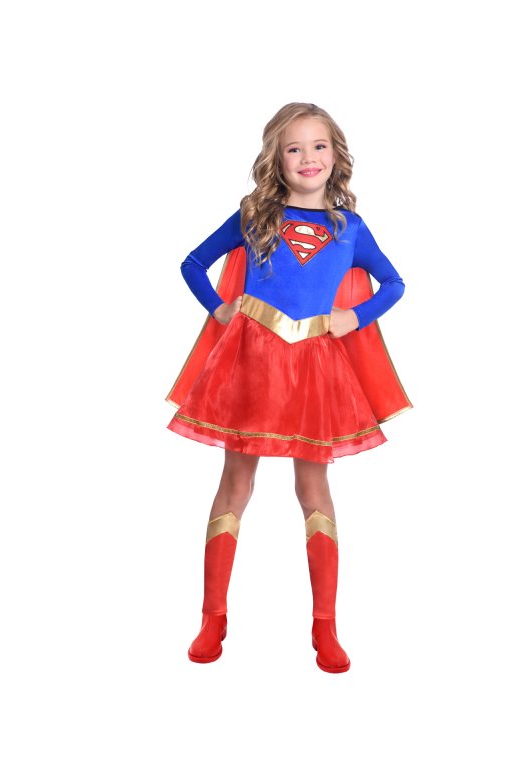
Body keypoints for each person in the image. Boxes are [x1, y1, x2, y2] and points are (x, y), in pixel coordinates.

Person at [165, 102, 411, 673]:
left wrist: (355, 316)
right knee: (235, 483)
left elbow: (395, 283)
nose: (308, 158)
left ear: (336, 155)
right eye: (294, 148)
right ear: (276, 159)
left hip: (316, 367)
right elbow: (193, 263)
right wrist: (220, 310)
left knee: (314, 488)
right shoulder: (255, 216)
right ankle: (212, 617)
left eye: (318, 146)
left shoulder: (350, 228)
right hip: (251, 363)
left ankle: (325, 627)